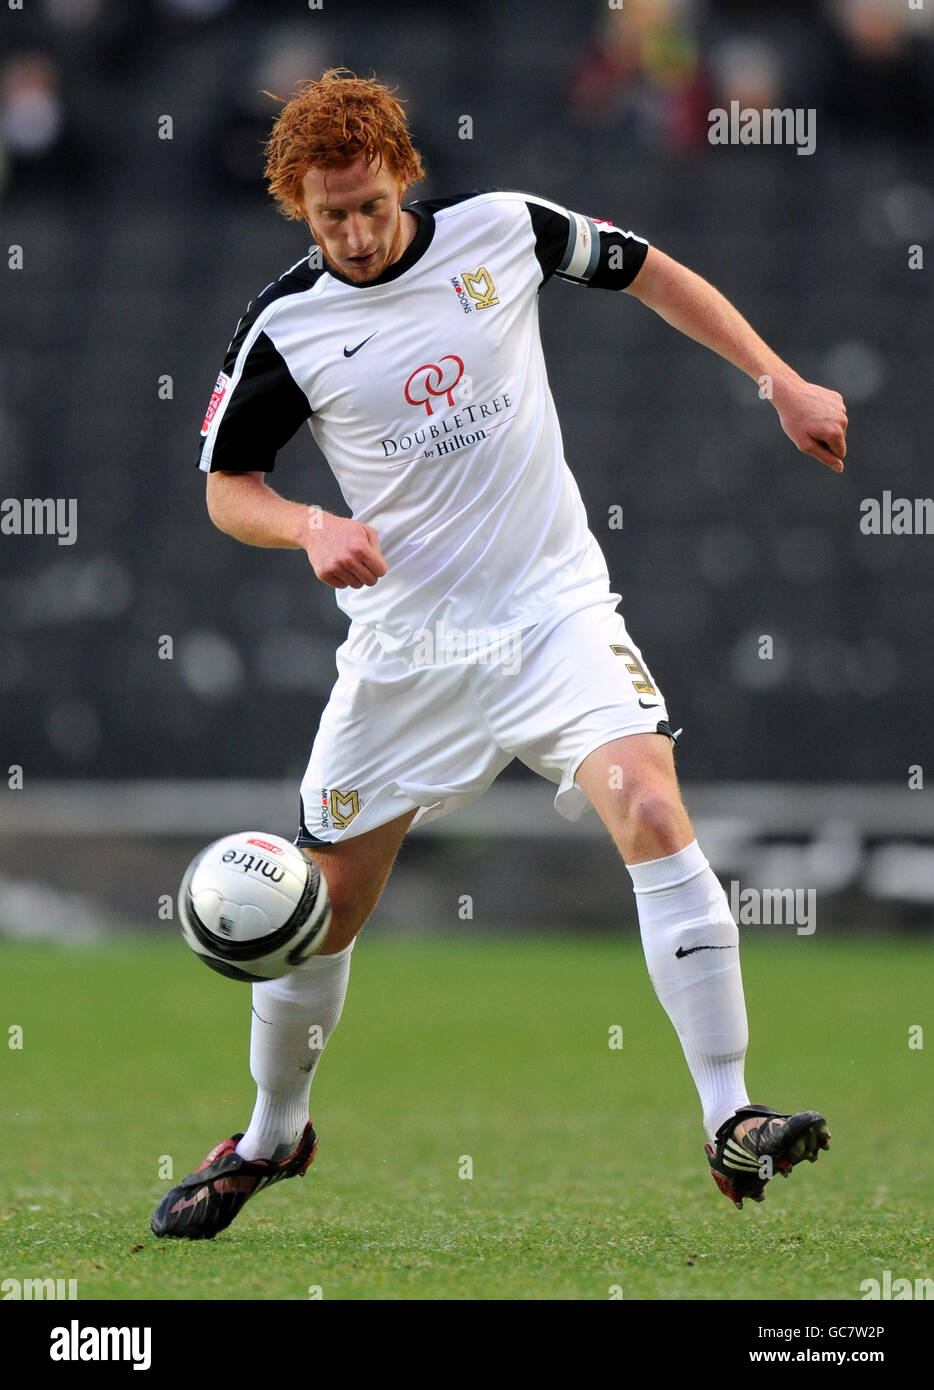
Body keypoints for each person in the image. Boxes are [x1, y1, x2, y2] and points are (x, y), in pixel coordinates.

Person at [152, 69, 844, 1240]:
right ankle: (272, 1134)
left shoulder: (503, 231)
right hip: (408, 651)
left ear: (402, 177)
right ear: (298, 210)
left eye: (369, 205)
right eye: (330, 218)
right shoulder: (289, 325)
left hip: (552, 616)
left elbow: (650, 271)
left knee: (649, 807)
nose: (357, 234)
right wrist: (310, 524)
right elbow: (227, 488)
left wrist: (777, 379)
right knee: (321, 913)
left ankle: (729, 1112)